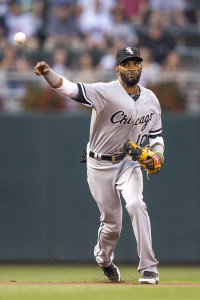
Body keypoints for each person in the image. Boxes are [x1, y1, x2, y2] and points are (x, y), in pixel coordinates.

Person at [34, 46, 165, 284]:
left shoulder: (151, 99)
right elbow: (69, 88)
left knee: (136, 204)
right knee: (112, 225)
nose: (132, 67)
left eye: (136, 63)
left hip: (129, 163)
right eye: (126, 64)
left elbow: (156, 138)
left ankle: (149, 269)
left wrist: (157, 156)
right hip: (99, 164)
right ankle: (104, 258)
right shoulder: (104, 91)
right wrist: (48, 73)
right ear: (117, 69)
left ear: (142, 67)